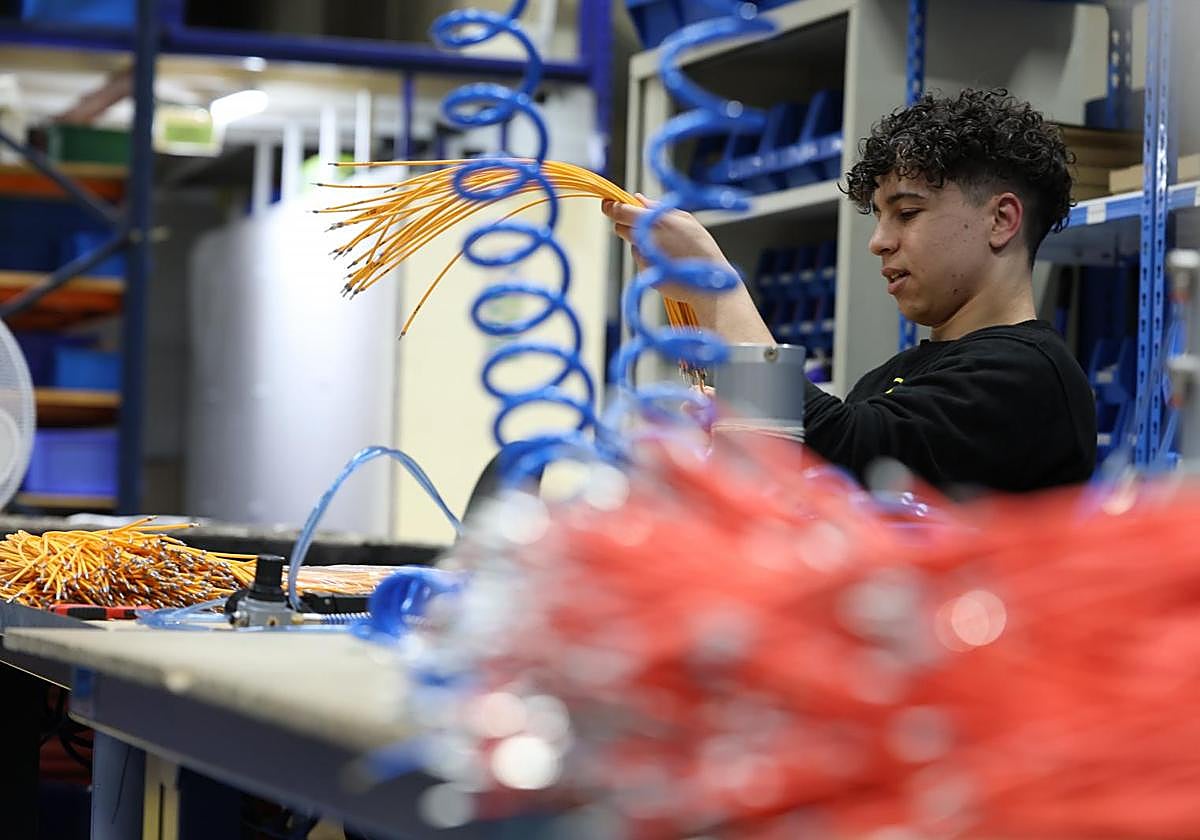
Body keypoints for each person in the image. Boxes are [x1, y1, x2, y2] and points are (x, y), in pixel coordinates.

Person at [601, 88, 1096, 493]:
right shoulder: (897, 375)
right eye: (879, 217)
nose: (879, 242)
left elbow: (840, 454)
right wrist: (739, 437)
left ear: (1001, 219)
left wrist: (714, 283)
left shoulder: (1029, 376)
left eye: (907, 213)